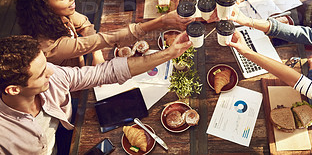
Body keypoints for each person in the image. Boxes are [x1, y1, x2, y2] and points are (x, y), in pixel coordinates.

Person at [0, 33, 192, 154]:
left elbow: (104, 72)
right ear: (14, 90)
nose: (52, 71)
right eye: (42, 73)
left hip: (66, 133)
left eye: (46, 65)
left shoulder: (53, 75)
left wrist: (169, 53)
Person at [16, 0, 193, 67]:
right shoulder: (50, 47)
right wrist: (161, 21)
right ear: (44, 7)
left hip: (83, 67)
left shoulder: (60, 14)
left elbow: (85, 23)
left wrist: (96, 54)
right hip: (72, 92)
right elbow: (107, 39)